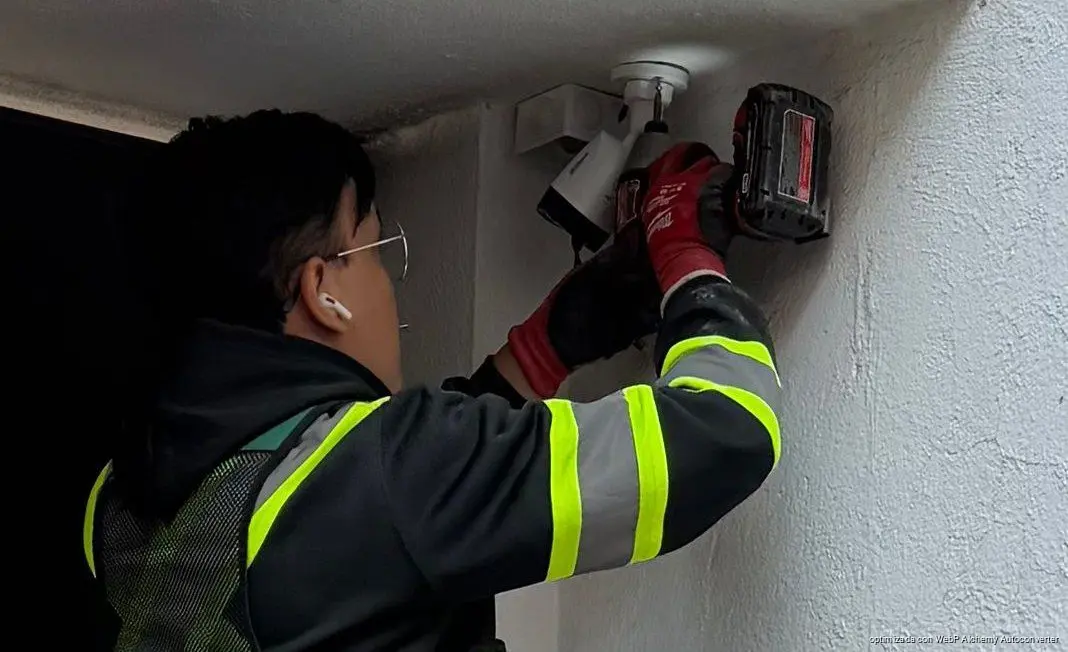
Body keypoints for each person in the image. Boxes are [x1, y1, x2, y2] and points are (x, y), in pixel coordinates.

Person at [83, 110, 781, 651]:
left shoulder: (117, 502)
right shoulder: (393, 471)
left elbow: (368, 529)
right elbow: (727, 430)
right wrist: (686, 258)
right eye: (375, 250)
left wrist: (543, 350)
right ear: (323, 291)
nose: (387, 284)